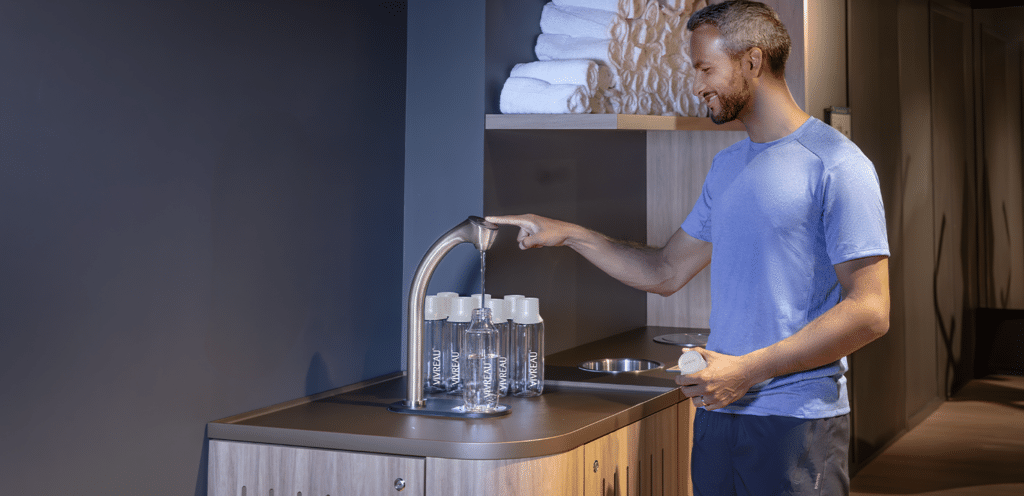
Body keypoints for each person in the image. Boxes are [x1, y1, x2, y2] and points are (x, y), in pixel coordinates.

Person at [486, 1, 890, 494]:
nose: (697, 85)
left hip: (795, 421)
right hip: (720, 413)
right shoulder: (727, 168)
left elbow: (870, 310)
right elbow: (665, 271)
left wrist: (747, 370)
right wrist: (568, 233)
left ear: (752, 62)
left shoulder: (837, 164)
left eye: (705, 68)